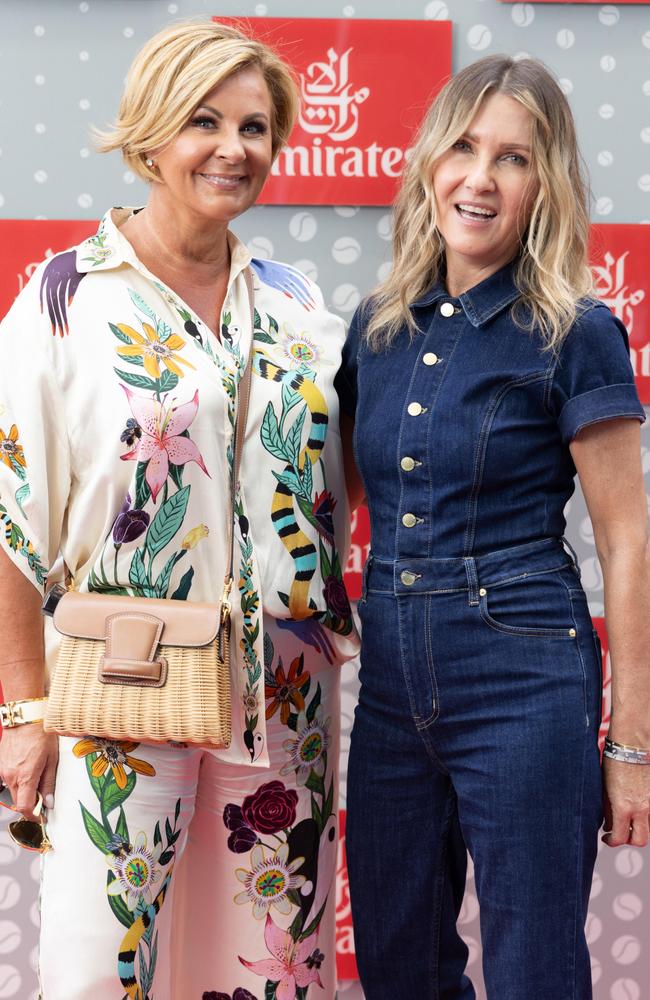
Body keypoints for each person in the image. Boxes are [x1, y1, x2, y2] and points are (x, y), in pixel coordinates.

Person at [0, 20, 357, 999]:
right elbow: (9, 511)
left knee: (274, 965)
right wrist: (23, 710)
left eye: (255, 126)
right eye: (206, 119)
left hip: (283, 689)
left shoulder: (294, 301)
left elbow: (341, 476)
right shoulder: (65, 298)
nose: (234, 147)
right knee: (98, 966)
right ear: (152, 132)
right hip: (123, 678)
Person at [336, 55, 650, 1000]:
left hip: (524, 673)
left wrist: (630, 745)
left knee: (533, 971)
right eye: (464, 147)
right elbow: (327, 501)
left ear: (542, 184)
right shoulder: (375, 327)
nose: (479, 178)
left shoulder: (576, 329)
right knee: (398, 963)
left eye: (512, 159)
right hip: (391, 683)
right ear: (432, 159)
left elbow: (628, 543)